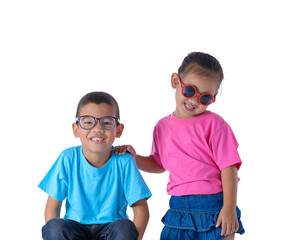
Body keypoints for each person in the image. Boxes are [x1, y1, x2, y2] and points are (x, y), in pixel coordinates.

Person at [115, 52, 245, 240]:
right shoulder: (162, 127)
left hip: (215, 207)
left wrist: (229, 208)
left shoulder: (215, 125)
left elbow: (229, 167)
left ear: (214, 97)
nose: (194, 101)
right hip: (178, 209)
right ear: (175, 81)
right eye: (190, 91)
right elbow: (160, 164)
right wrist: (135, 158)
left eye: (205, 98)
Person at [38, 91, 152, 240]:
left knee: (125, 227)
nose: (97, 128)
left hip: (111, 230)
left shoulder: (125, 161)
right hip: (75, 230)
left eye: (106, 122)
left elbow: (141, 208)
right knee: (53, 226)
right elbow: (53, 207)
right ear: (76, 129)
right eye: (87, 122)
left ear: (118, 130)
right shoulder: (68, 158)